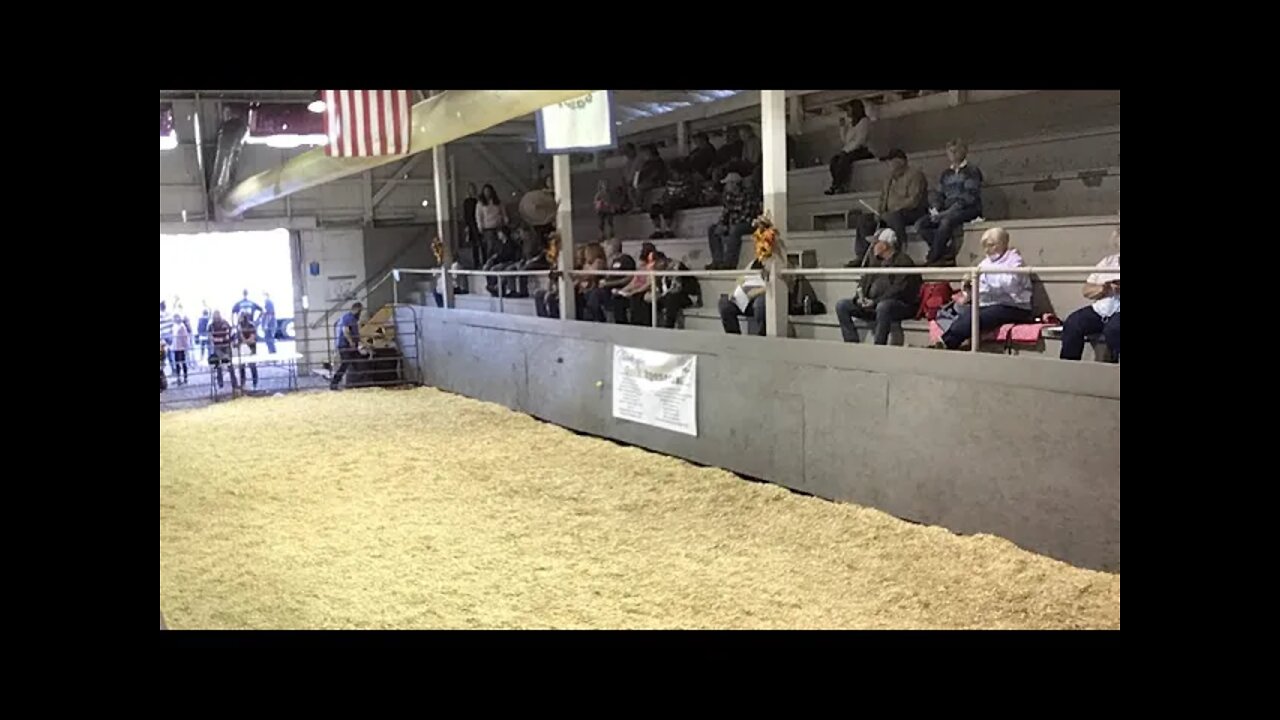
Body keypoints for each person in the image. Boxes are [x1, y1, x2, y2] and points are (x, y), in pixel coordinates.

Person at [932, 227, 1034, 350]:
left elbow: (1010, 285)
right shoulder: (985, 262)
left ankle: (946, 343)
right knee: (967, 314)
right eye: (984, 246)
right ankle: (945, 342)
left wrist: (985, 275)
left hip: (1015, 306)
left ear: (1002, 243)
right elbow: (982, 289)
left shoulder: (1015, 261)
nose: (987, 250)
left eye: (991, 245)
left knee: (978, 317)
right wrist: (970, 285)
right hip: (989, 304)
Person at [835, 229, 922, 345]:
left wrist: (875, 302)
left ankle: (879, 346)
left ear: (885, 245)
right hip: (873, 305)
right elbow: (863, 282)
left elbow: (899, 290)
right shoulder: (875, 262)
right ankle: (851, 343)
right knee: (842, 305)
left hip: (900, 306)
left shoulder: (903, 261)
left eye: (876, 243)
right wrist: (860, 298)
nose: (872, 246)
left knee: (883, 306)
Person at [915, 138, 984, 266]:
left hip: (968, 209)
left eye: (955, 150)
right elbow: (939, 194)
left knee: (946, 221)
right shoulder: (945, 174)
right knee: (920, 224)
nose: (952, 154)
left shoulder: (972, 171)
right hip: (946, 209)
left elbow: (968, 197)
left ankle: (933, 257)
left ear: (964, 151)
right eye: (950, 151)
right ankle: (944, 252)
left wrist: (945, 213)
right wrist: (935, 208)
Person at [855, 148, 929, 260]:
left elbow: (914, 200)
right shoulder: (888, 179)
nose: (888, 164)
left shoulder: (915, 175)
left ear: (900, 161)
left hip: (911, 212)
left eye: (890, 161)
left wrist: (894, 209)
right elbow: (882, 198)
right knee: (863, 220)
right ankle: (863, 256)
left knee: (894, 216)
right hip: (888, 214)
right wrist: (879, 211)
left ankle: (898, 252)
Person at [1060, 226, 1120, 362]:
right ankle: (1068, 369)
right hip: (1101, 310)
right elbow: (1086, 290)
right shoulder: (1108, 262)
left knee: (1114, 329)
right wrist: (1103, 289)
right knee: (1072, 323)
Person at [706, 172, 757, 269]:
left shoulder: (747, 197)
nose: (725, 187)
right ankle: (717, 261)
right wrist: (721, 224)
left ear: (734, 184)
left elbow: (746, 216)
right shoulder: (729, 197)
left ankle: (730, 263)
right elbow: (725, 213)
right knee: (712, 229)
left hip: (749, 223)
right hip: (734, 223)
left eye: (727, 184)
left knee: (735, 230)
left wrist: (728, 227)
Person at [825, 100, 873, 195]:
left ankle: (838, 186)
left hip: (861, 150)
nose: (847, 112)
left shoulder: (864, 122)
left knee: (844, 159)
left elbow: (860, 140)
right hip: (849, 150)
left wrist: (846, 151)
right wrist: (842, 128)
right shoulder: (851, 124)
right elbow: (846, 141)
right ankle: (837, 184)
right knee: (834, 160)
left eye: (849, 109)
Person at [587, 239, 637, 322]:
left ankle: (601, 320)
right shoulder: (612, 261)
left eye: (607, 246)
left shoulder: (626, 259)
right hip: (607, 288)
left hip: (619, 289)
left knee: (595, 296)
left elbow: (630, 277)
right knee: (591, 295)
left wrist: (610, 283)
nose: (604, 249)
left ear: (614, 247)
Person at [649, 159, 696, 239]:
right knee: (655, 207)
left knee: (669, 206)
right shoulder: (670, 181)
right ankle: (658, 230)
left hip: (683, 200)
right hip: (671, 200)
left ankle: (669, 229)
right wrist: (662, 200)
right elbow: (666, 193)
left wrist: (673, 198)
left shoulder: (687, 180)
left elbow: (687, 194)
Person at [719, 260, 768, 335]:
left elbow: (777, 286)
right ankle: (734, 338)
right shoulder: (754, 262)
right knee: (724, 303)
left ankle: (762, 337)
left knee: (760, 304)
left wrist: (757, 291)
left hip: (763, 294)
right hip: (746, 296)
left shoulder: (780, 262)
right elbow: (740, 278)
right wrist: (736, 290)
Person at [655, 254, 699, 329]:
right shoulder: (660, 274)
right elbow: (661, 289)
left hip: (685, 295)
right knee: (651, 299)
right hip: (668, 296)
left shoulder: (678, 268)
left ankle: (669, 327)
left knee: (672, 298)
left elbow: (678, 288)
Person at [330, 302, 363, 390]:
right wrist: (351, 342)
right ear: (357, 309)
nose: (360, 313)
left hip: (349, 345)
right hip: (345, 345)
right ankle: (334, 383)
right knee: (345, 364)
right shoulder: (348, 318)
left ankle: (357, 383)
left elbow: (354, 333)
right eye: (360, 311)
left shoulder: (351, 319)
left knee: (357, 362)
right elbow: (345, 331)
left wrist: (360, 342)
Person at [482, 228, 522, 297]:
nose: (498, 235)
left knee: (495, 269)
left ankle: (497, 287)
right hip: (500, 261)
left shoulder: (511, 243)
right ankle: (492, 285)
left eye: (499, 233)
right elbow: (495, 253)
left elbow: (508, 255)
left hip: (509, 261)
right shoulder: (499, 244)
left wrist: (498, 258)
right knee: (489, 267)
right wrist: (492, 259)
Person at [475, 184, 508, 259]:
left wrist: (506, 220)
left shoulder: (498, 202)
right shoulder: (480, 204)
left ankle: (499, 260)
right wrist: (480, 226)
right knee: (490, 246)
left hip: (499, 226)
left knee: (500, 245)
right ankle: (489, 261)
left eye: (489, 191)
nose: (487, 193)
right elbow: (479, 216)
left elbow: (503, 212)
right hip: (488, 228)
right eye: (486, 191)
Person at [635, 144, 668, 215]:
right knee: (636, 187)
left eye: (645, 152)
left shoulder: (658, 162)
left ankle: (639, 205)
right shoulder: (646, 163)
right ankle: (638, 205)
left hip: (656, 182)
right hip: (646, 182)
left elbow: (657, 174)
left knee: (640, 188)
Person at [208, 310, 236, 390]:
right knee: (218, 365)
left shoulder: (225, 323)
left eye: (218, 315)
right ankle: (220, 383)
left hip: (226, 346)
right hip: (217, 347)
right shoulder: (211, 326)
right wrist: (219, 339)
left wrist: (223, 339)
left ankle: (234, 383)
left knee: (229, 365)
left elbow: (229, 334)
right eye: (215, 315)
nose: (216, 317)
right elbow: (210, 337)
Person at [235, 311, 259, 390]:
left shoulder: (251, 325)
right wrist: (244, 341)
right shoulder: (239, 326)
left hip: (251, 346)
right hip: (243, 347)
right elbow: (239, 336)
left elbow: (252, 337)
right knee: (242, 365)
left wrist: (246, 341)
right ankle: (243, 383)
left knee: (252, 365)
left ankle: (255, 383)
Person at [462, 182, 482, 265]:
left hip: (479, 222)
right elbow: (466, 214)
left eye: (473, 189)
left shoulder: (479, 200)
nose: (472, 190)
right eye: (470, 189)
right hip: (471, 224)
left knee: (482, 243)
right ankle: (476, 262)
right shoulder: (466, 201)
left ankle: (484, 260)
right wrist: (467, 225)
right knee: (474, 244)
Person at [620, 142, 643, 212]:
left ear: (633, 150)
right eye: (625, 152)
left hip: (638, 181)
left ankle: (638, 206)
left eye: (628, 151)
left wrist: (633, 183)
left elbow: (639, 173)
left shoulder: (639, 160)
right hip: (629, 183)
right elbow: (624, 176)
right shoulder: (626, 163)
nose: (627, 153)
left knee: (633, 189)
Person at [171, 314, 191, 385]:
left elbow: (185, 337)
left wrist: (186, 346)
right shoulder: (174, 326)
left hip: (181, 347)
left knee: (183, 362)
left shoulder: (182, 326)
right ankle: (178, 377)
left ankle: (185, 377)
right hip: (176, 347)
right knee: (177, 363)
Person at [159, 300, 175, 375]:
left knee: (163, 355)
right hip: (169, 336)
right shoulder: (169, 314)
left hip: (163, 337)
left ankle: (162, 371)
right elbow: (172, 324)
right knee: (169, 354)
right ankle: (173, 369)